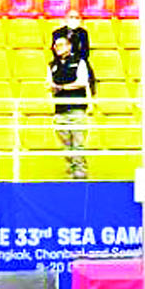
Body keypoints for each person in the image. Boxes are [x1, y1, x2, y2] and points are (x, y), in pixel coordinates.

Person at [50, 35, 91, 181]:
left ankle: (80, 173)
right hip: (60, 109)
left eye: (61, 45)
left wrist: (62, 87)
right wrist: (54, 88)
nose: (58, 48)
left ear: (69, 46)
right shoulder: (52, 65)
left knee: (78, 143)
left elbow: (82, 81)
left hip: (76, 108)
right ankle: (70, 172)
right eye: (56, 46)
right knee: (65, 145)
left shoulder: (79, 62)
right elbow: (50, 84)